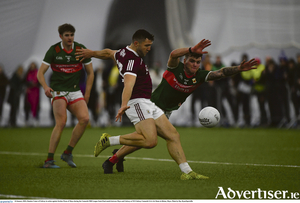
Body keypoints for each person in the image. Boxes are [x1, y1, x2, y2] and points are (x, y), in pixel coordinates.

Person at [76, 31, 257, 179]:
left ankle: (114, 159)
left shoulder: (199, 76)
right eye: (191, 60)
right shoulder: (174, 68)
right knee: (149, 140)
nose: (194, 64)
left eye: (197, 61)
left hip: (163, 110)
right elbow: (172, 55)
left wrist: (238, 70)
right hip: (150, 103)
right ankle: (113, 151)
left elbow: (221, 73)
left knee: (157, 139)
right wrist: (191, 48)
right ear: (185, 61)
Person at [37, 23, 94, 168]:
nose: (70, 38)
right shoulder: (54, 50)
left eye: (72, 35)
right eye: (67, 35)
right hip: (58, 91)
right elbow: (40, 73)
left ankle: (68, 152)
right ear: (60, 36)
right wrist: (45, 87)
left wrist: (87, 94)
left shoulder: (80, 49)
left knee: (85, 119)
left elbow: (91, 73)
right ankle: (49, 160)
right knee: (61, 122)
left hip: (75, 91)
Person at [23, 62, 40, 127]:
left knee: (36, 106)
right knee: (27, 106)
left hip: (36, 93)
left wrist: (36, 84)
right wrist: (29, 84)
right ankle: (27, 120)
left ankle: (36, 119)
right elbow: (24, 82)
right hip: (29, 92)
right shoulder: (27, 73)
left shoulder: (38, 73)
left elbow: (41, 82)